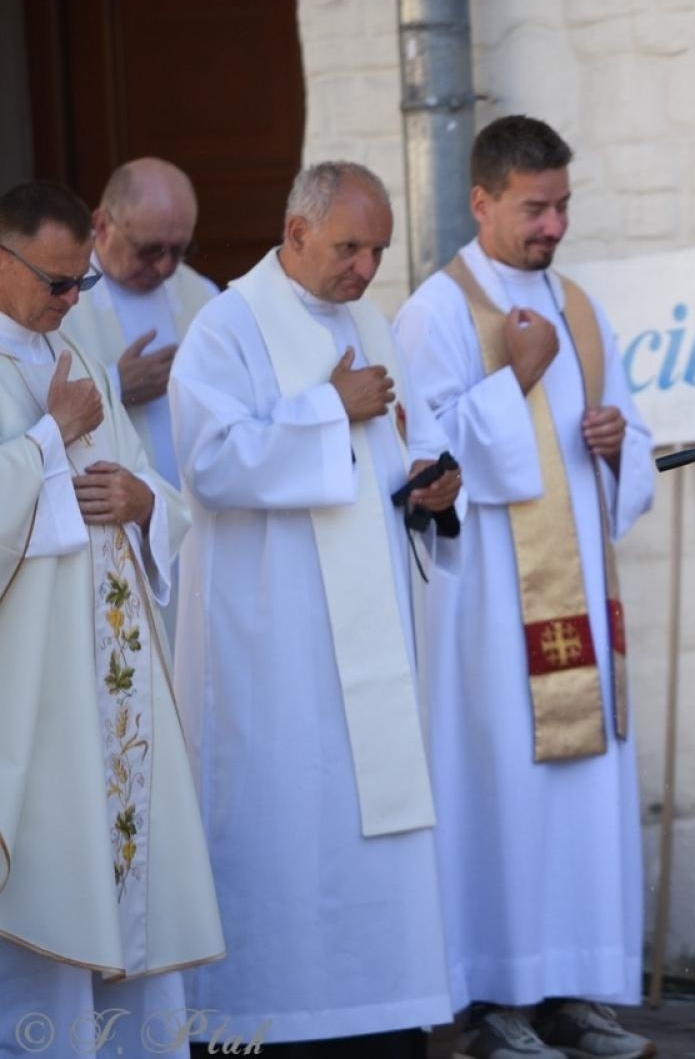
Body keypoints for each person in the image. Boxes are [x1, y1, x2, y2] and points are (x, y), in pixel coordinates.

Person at [169, 162, 462, 1057]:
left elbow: (396, 454)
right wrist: (328, 408)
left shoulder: (370, 323)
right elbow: (210, 462)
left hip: (368, 641)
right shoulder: (225, 329)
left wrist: (429, 491)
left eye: (378, 249)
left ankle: (377, 1014)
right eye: (349, 248)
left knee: (369, 836)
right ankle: (274, 1021)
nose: (367, 269)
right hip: (273, 640)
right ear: (295, 234)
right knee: (286, 823)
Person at [394, 116, 655, 1059]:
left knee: (580, 795)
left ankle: (572, 991)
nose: (552, 226)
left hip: (580, 594)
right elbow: (424, 462)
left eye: (562, 207)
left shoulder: (579, 305)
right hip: (490, 609)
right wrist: (521, 380)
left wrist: (622, 445)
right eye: (534, 208)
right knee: (503, 787)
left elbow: (630, 430)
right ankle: (496, 998)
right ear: (482, 201)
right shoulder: (436, 311)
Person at [0, 181, 223, 1057]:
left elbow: (155, 496)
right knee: (48, 892)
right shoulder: (62, 389)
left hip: (105, 689)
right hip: (28, 694)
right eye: (54, 283)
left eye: (78, 285)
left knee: (122, 886)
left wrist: (141, 501)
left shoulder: (80, 364)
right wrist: (49, 439)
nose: (68, 302)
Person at [61, 157, 218, 643]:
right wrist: (115, 384)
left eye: (180, 249)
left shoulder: (202, 296)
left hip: (193, 531)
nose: (167, 267)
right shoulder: (61, 296)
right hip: (109, 540)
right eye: (151, 250)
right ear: (101, 224)